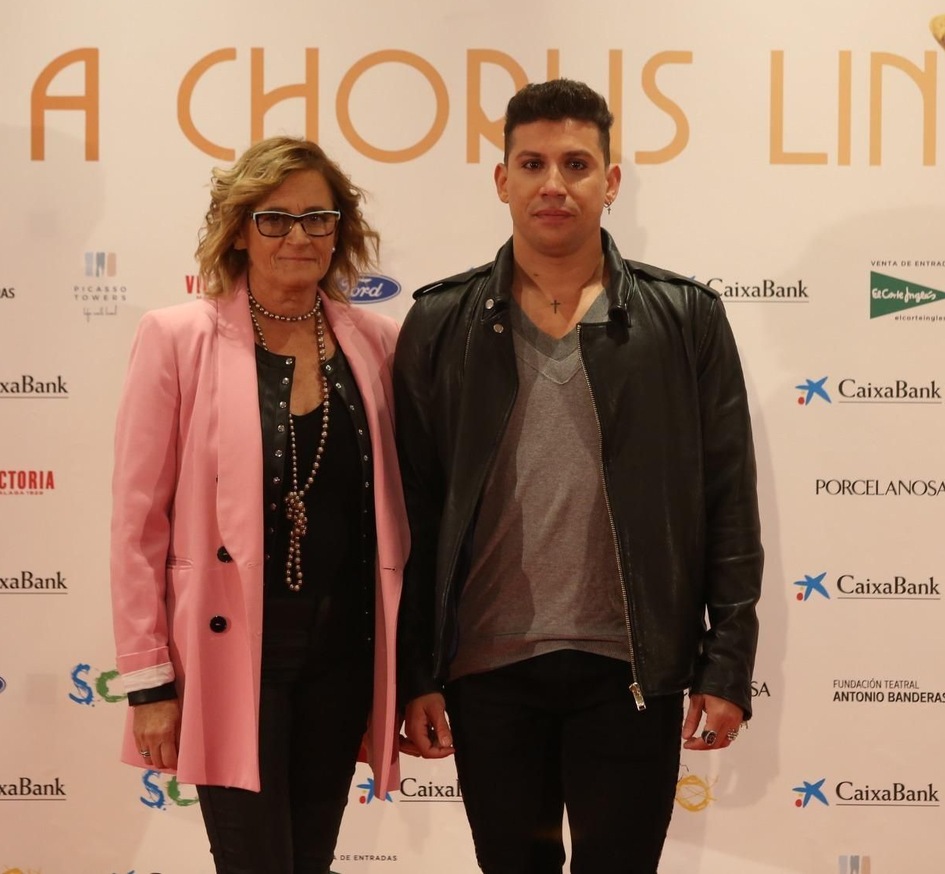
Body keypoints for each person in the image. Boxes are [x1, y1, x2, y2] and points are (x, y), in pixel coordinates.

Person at [394, 79, 764, 872]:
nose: (553, 183)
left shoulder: (685, 318)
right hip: (486, 670)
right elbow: (414, 511)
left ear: (611, 180)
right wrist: (415, 672)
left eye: (576, 163)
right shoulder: (438, 323)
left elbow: (728, 498)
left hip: (632, 666)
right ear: (502, 180)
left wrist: (725, 660)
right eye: (531, 163)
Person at [110, 136, 408, 873]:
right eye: (274, 219)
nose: (298, 236)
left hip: (343, 658)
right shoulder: (176, 339)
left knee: (310, 862)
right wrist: (149, 682)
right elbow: (136, 526)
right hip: (230, 656)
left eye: (318, 217)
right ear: (240, 230)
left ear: (341, 231)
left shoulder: (377, 343)